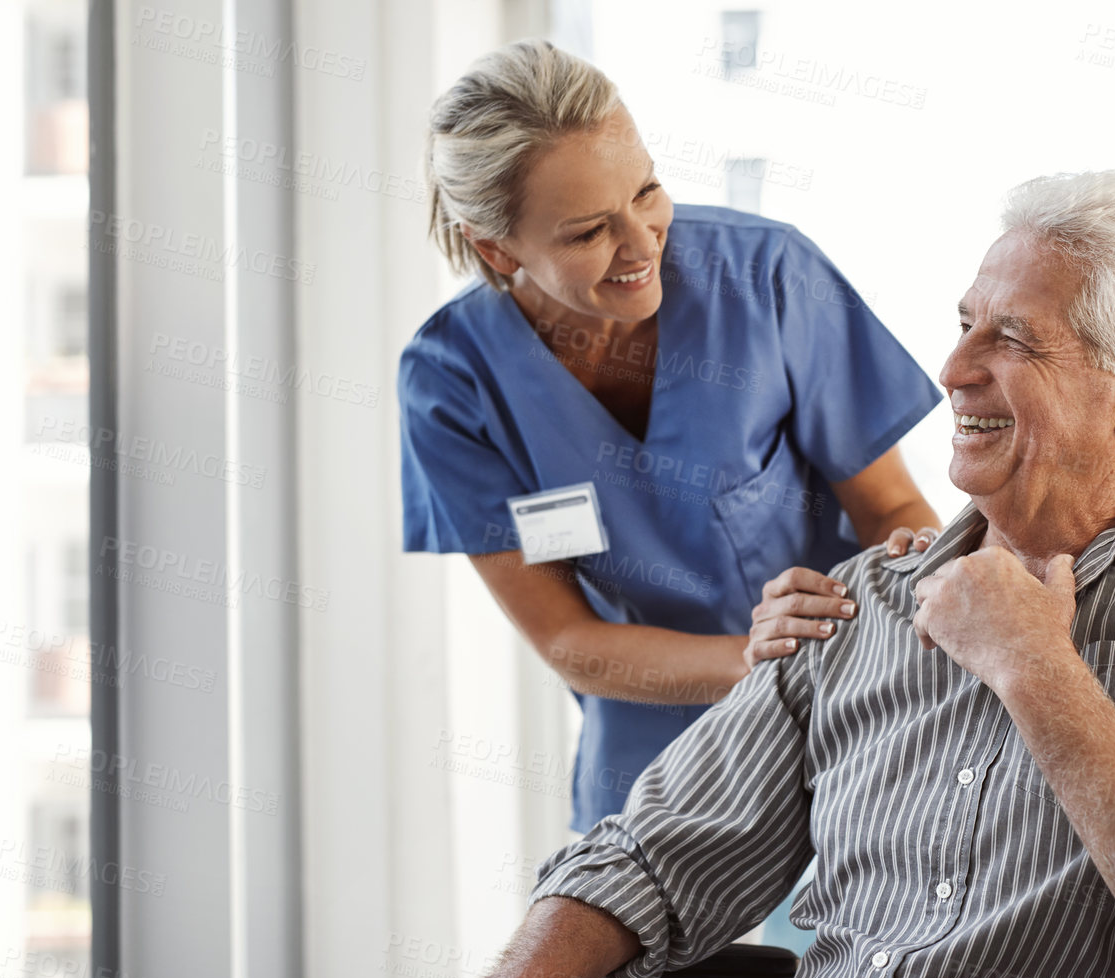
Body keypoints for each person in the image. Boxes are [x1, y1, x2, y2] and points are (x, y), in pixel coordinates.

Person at [297, 170, 1115, 978]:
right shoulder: (862, 597)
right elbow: (661, 855)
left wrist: (1035, 667)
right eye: (961, 324)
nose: (950, 370)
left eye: (1013, 341)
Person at [401, 39, 944, 839]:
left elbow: (890, 505)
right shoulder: (452, 380)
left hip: (850, 681)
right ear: (497, 247)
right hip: (650, 719)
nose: (643, 243)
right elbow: (567, 636)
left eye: (647, 190)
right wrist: (751, 659)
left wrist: (929, 611)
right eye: (588, 231)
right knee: (625, 943)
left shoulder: (766, 279)